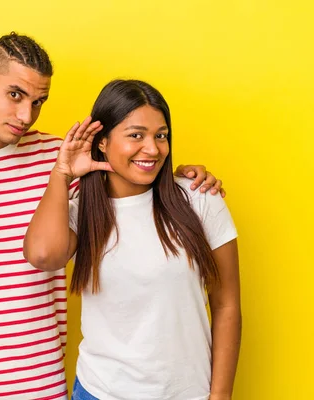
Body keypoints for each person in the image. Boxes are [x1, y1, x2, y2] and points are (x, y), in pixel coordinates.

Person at [0, 33, 226, 400]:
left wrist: (185, 179)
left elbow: (131, 184)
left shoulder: (59, 156)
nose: (26, 116)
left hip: (40, 381)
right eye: (15, 95)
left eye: (38, 101)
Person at [24, 79, 241, 400]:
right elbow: (43, 255)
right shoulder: (81, 211)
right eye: (136, 135)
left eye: (161, 135)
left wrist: (220, 396)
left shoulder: (199, 199)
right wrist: (62, 172)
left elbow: (227, 305)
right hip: (99, 392)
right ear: (102, 141)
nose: (153, 149)